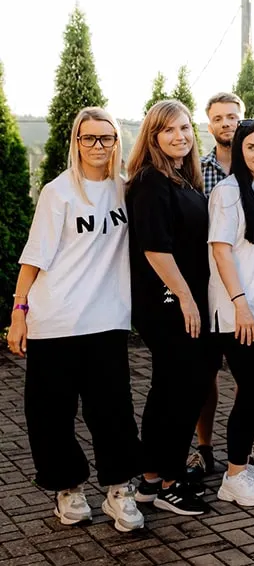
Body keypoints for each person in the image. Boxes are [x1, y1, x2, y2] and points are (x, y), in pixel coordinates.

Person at [9, 107, 143, 533]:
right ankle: (68, 489)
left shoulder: (126, 191)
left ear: (116, 143)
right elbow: (34, 258)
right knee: (51, 414)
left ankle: (119, 491)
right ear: (76, 142)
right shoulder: (59, 191)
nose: (98, 146)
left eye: (106, 138)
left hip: (106, 321)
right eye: (89, 138)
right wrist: (19, 312)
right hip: (56, 320)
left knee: (114, 412)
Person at [126, 100, 214, 515]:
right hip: (167, 303)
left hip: (187, 301)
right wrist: (185, 296)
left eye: (184, 128)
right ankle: (161, 480)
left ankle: (155, 480)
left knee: (181, 387)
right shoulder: (149, 182)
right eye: (169, 130)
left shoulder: (182, 179)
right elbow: (155, 248)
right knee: (176, 389)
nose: (180, 136)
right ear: (153, 136)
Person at [208, 119, 254, 507]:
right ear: (239, 150)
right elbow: (221, 250)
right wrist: (240, 304)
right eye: (252, 147)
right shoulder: (226, 192)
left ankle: (242, 465)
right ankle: (233, 475)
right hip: (240, 311)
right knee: (250, 390)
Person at [189, 91, 253, 482]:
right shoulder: (196, 169)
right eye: (219, 118)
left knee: (250, 376)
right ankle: (205, 447)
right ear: (208, 123)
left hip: (251, 286)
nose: (226, 123)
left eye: (233, 117)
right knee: (205, 372)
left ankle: (242, 447)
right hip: (206, 284)